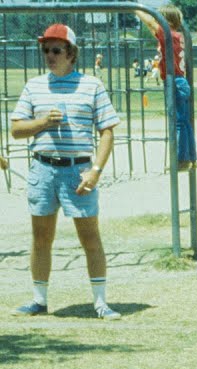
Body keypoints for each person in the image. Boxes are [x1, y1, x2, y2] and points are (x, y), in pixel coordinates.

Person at [9, 24, 122, 320]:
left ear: (71, 53)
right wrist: (43, 122)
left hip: (78, 173)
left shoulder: (91, 85)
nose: (49, 55)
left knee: (90, 238)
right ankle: (39, 300)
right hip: (43, 170)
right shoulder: (34, 86)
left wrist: (95, 171)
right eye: (45, 50)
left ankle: (100, 302)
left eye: (56, 50)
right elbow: (16, 130)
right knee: (41, 238)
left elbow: (108, 131)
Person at [135, 6, 196, 171]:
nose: (156, 23)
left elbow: (149, 23)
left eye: (159, 19)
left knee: (177, 123)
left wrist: (135, 8)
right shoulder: (178, 36)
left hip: (174, 82)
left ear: (167, 22)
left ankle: (181, 159)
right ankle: (191, 157)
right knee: (184, 122)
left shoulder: (168, 35)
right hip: (180, 81)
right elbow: (152, 25)